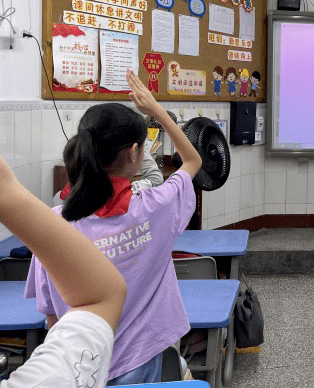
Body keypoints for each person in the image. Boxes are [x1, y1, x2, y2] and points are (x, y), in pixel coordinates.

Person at [25, 69, 202, 385]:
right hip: (143, 360)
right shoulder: (155, 207)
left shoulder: (52, 224)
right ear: (135, 152)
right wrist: (157, 111)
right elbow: (192, 162)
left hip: (82, 367)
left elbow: (51, 314)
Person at [0, 156, 126, 387]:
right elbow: (104, 296)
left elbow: (48, 309)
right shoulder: (146, 205)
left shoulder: (58, 207)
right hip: (117, 347)